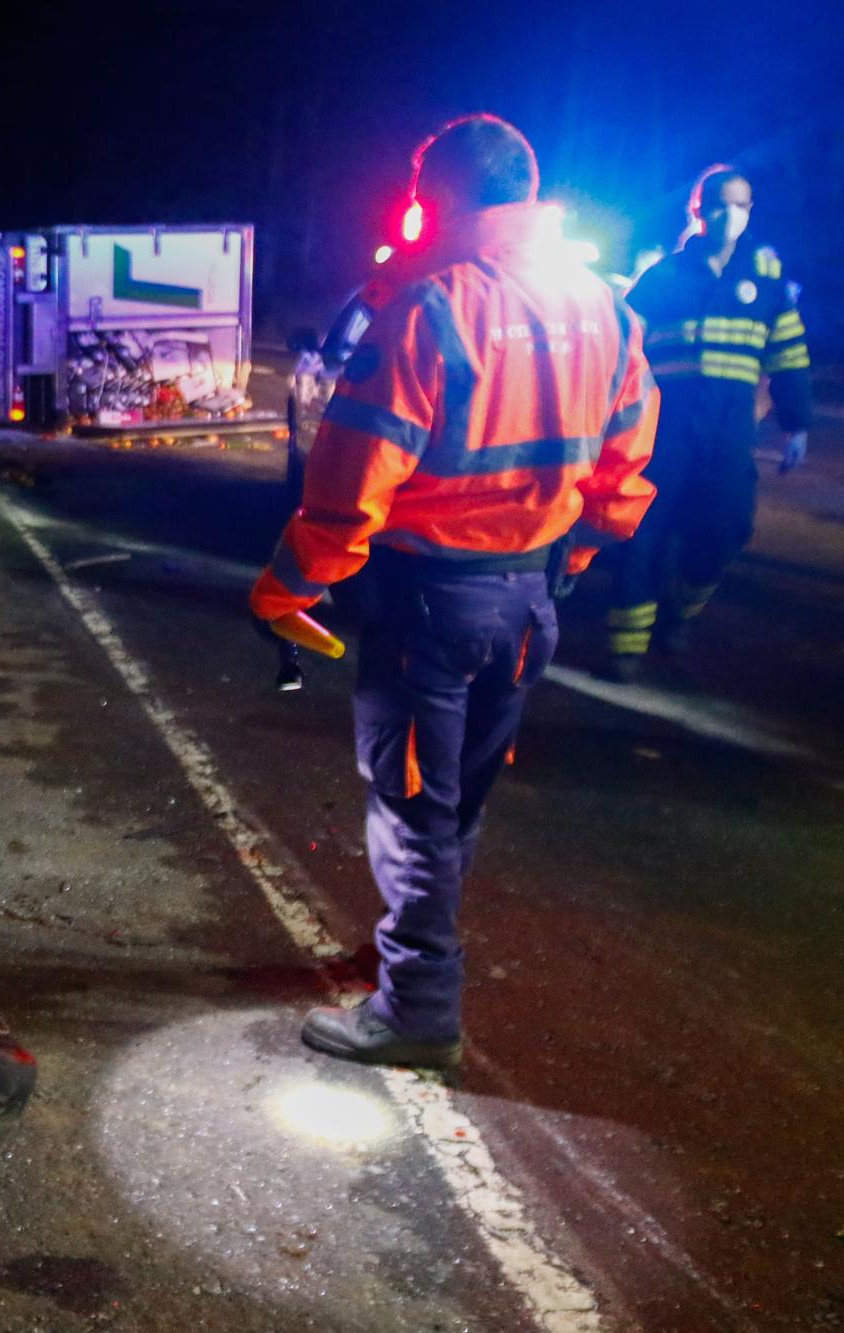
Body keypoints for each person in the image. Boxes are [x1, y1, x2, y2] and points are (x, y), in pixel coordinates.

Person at [248, 114, 660, 1067]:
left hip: (429, 598)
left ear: (435, 195)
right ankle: (407, 950)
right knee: (460, 794)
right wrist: (574, 553)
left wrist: (288, 587)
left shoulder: (431, 307)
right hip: (529, 599)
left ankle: (419, 1004)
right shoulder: (600, 304)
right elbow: (630, 452)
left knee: (411, 803)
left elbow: (354, 478)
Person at [602, 166, 813, 679]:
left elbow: (788, 357)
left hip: (728, 437)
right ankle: (625, 648)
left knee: (726, 529)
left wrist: (797, 423)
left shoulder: (765, 286)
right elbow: (619, 352)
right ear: (697, 210)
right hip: (662, 434)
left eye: (740, 205)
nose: (729, 215)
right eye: (719, 204)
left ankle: (682, 609)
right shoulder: (662, 280)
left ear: (750, 211)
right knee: (642, 536)